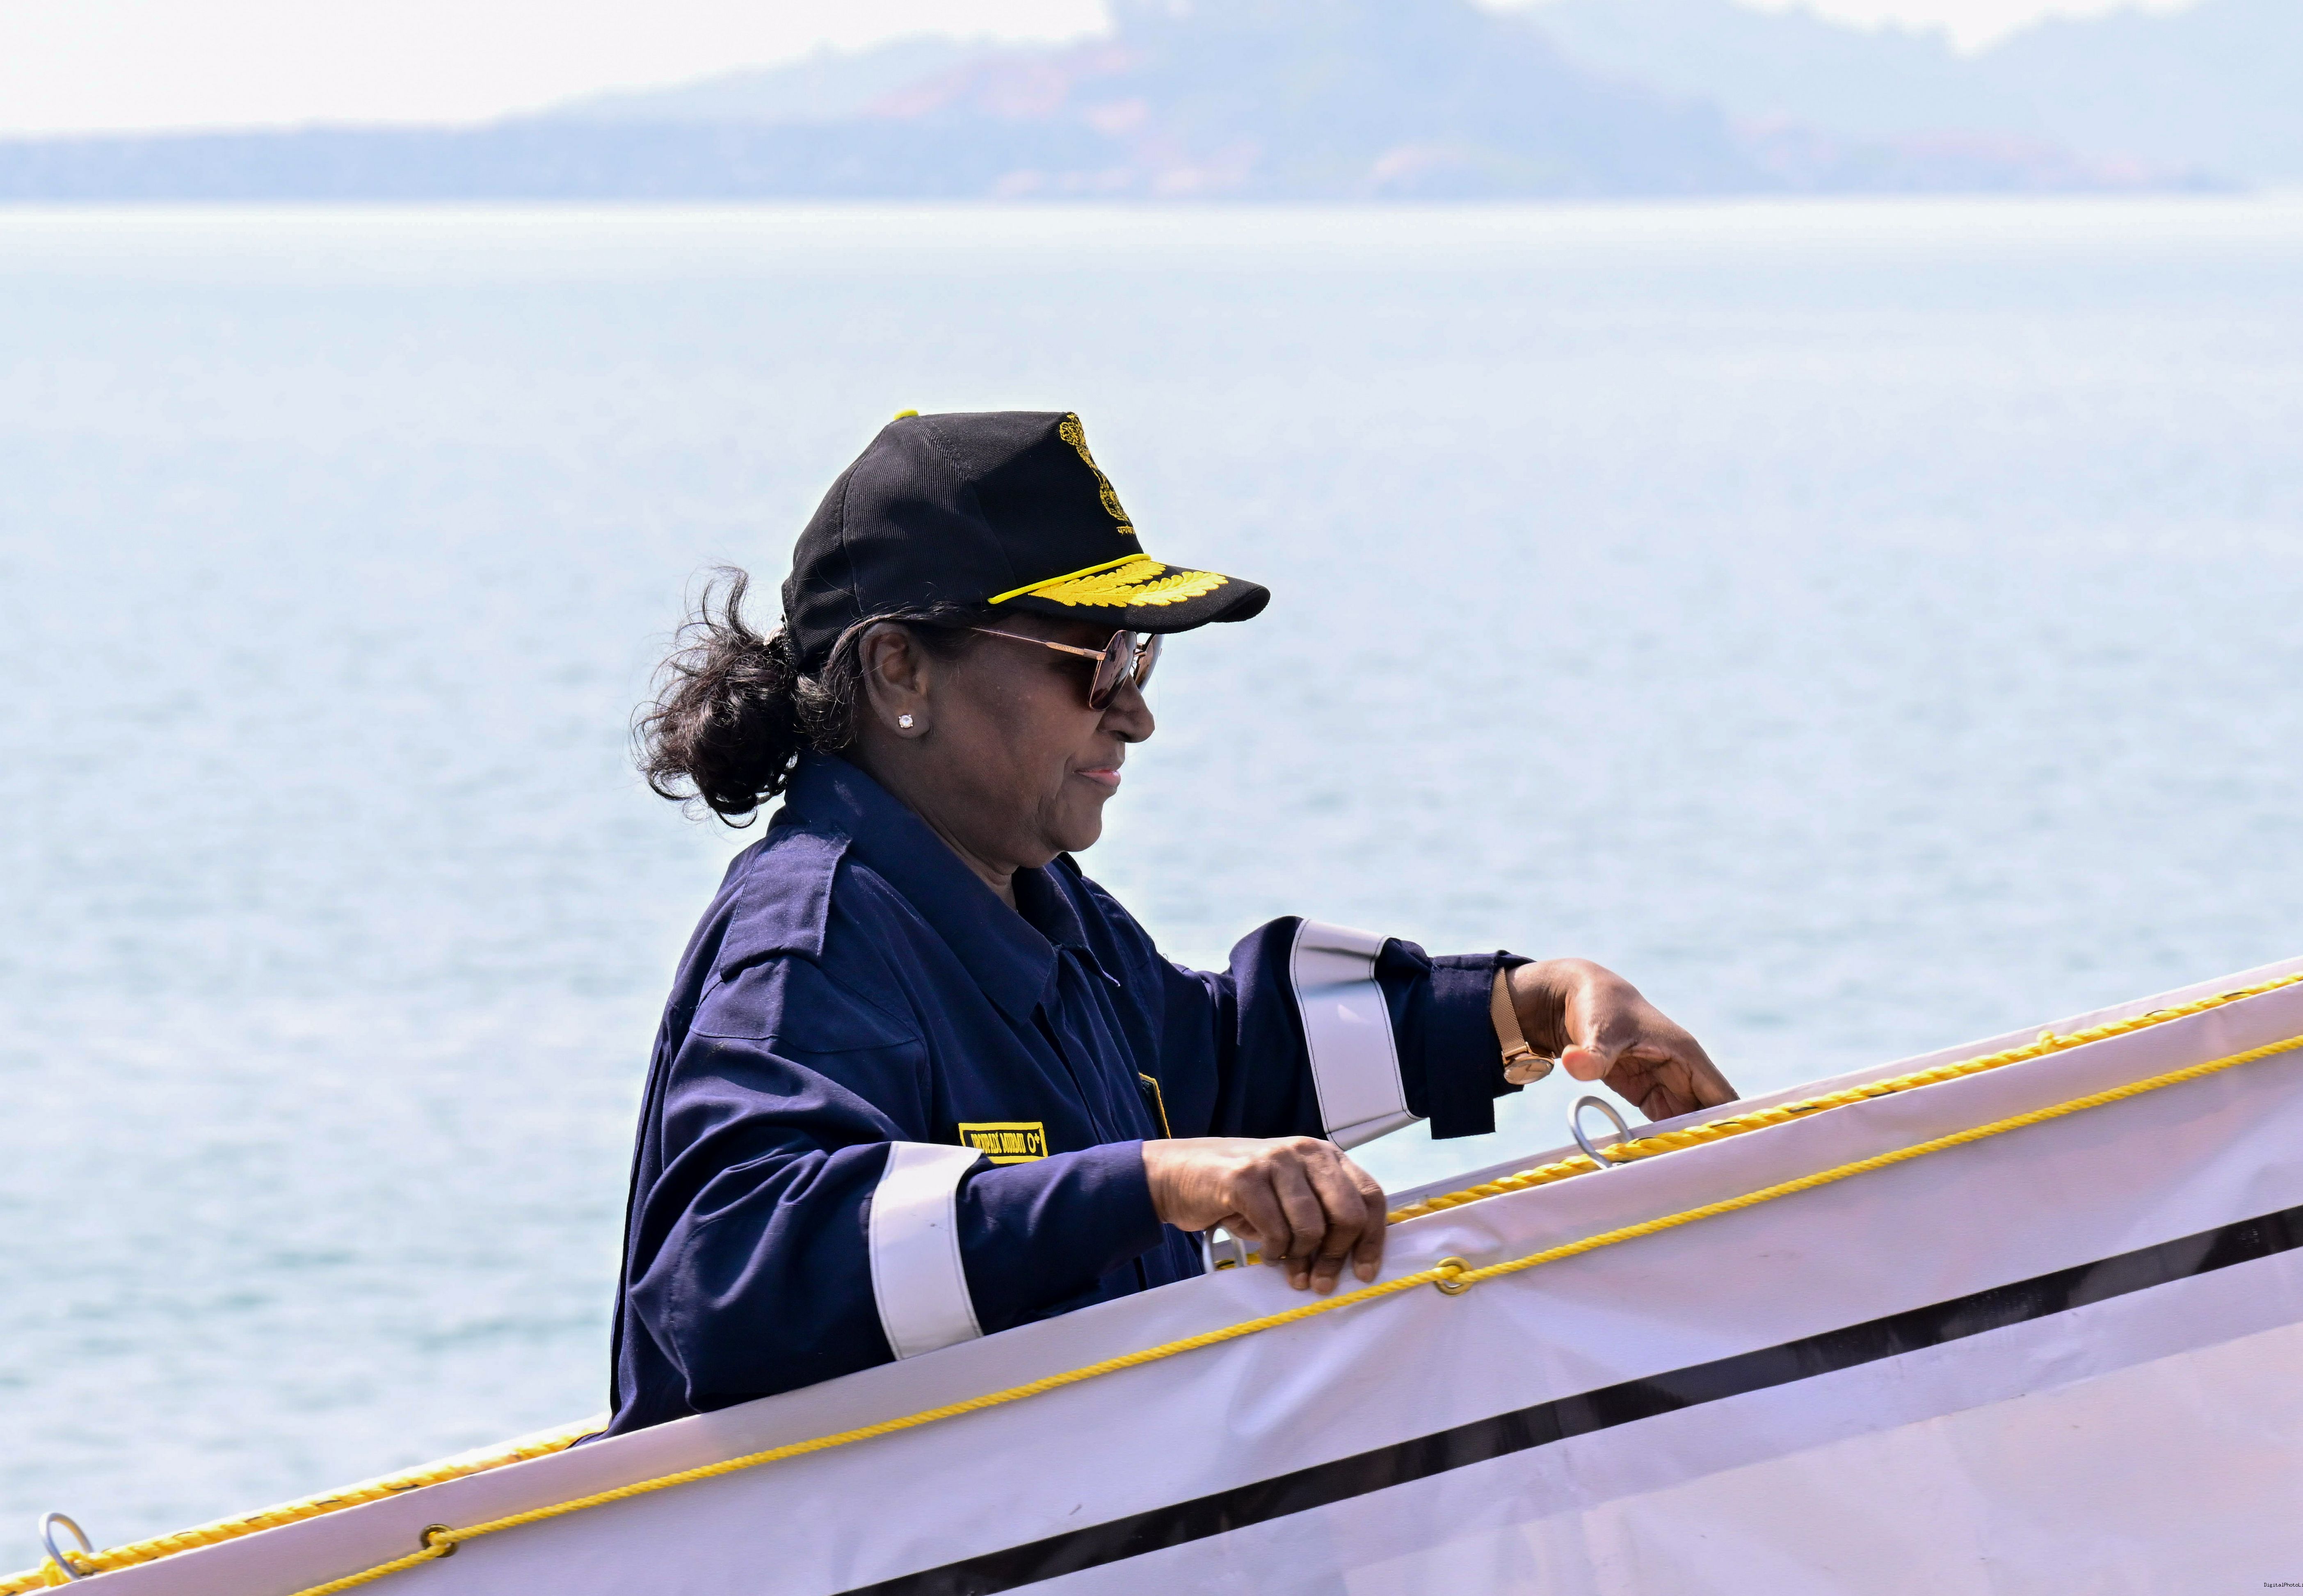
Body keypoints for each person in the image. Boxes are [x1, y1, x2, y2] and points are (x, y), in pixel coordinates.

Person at [603, 410, 1732, 1436]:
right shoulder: (810, 942)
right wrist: (1149, 1184)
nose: (1136, 712)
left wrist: (1530, 1008)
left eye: (1140, 656)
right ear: (901, 670)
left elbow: (1224, 1060)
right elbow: (731, 1270)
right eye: (1094, 659)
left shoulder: (1044, 908)